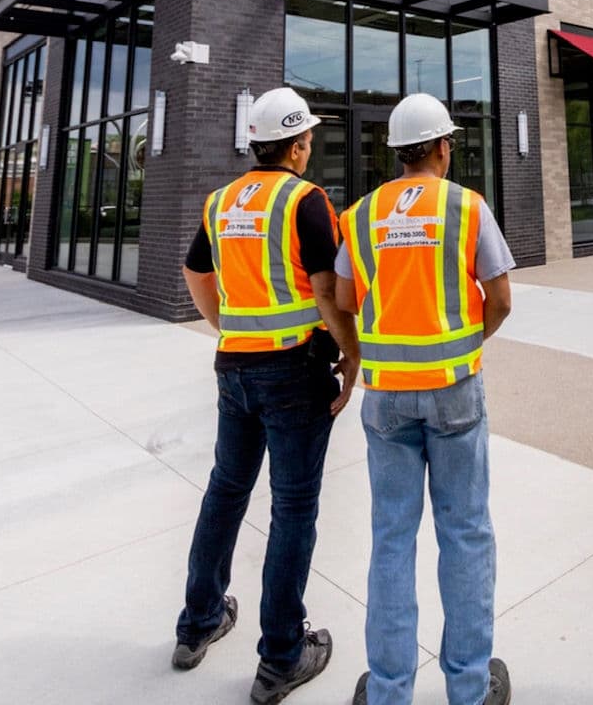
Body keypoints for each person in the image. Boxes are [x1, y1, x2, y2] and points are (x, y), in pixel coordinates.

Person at [172, 86, 358, 705]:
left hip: (236, 370)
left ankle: (198, 624)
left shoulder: (222, 201)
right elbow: (328, 291)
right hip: (294, 373)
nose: (311, 148)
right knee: (293, 508)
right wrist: (352, 351)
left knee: (227, 489)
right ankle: (281, 656)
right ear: (298, 144)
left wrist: (225, 326)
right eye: (309, 139)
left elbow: (196, 272)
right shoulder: (307, 202)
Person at [332, 93, 514, 705]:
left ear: (395, 153)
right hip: (454, 392)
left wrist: (368, 349)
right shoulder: (467, 207)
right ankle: (467, 687)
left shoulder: (359, 216)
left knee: (391, 537)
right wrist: (463, 343)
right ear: (441, 147)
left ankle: (388, 691)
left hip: (385, 399)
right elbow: (501, 299)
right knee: (464, 533)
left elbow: (341, 294)